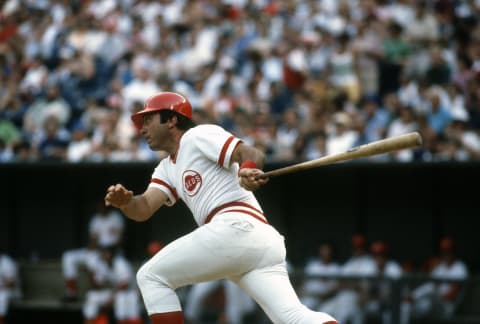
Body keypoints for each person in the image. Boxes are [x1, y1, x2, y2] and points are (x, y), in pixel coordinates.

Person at [104, 91, 338, 324]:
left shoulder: (197, 135)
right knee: (295, 318)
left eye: (148, 120)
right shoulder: (166, 167)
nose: (142, 129)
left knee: (151, 276)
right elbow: (143, 208)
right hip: (258, 241)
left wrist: (247, 168)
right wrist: (126, 202)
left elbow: (251, 153)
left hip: (235, 226)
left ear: (172, 119)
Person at [61, 201, 125, 302]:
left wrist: (107, 253)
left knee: (98, 266)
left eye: (103, 206)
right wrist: (92, 251)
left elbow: (119, 240)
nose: (101, 208)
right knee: (68, 257)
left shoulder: (115, 217)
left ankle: (100, 292)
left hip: (112, 253)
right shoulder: (95, 219)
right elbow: (93, 240)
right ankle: (71, 292)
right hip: (97, 251)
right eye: (99, 206)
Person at [400, 236, 469, 324]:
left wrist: (433, 296)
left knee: (429, 294)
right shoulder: (441, 267)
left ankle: (412, 297)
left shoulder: (460, 268)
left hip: (448, 307)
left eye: (448, 250)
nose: (446, 253)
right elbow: (430, 283)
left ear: (454, 251)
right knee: (406, 307)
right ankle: (410, 298)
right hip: (434, 303)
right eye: (443, 250)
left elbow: (452, 296)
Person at [184, 279, 256, 324]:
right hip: (216, 265)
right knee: (197, 295)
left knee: (235, 306)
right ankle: (190, 320)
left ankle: (231, 320)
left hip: (235, 267)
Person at [0, 253, 21, 324]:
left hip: (10, 291)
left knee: (2, 297)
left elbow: (12, 283)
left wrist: (2, 286)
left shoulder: (6, 262)